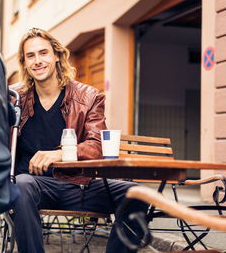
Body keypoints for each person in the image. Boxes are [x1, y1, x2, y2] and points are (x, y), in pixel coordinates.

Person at [9, 28, 148, 253]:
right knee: (21, 185)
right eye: (30, 56)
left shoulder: (89, 97)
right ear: (24, 63)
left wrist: (60, 153)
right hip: (33, 186)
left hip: (79, 186)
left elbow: (97, 145)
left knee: (137, 193)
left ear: (57, 55)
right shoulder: (14, 99)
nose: (37, 61)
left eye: (43, 53)